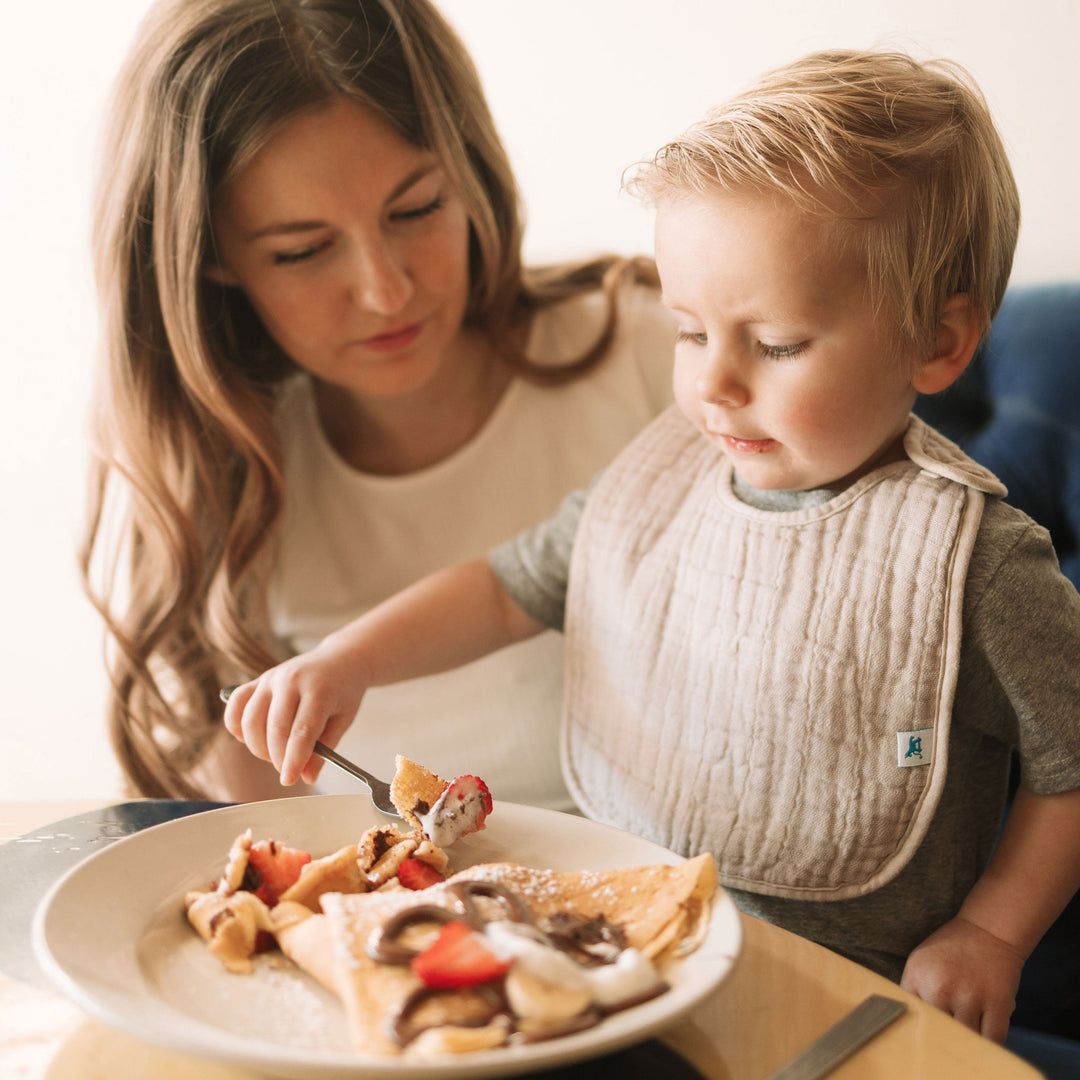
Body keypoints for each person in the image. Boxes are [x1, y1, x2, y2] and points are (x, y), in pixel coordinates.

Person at [224, 49, 1080, 1040]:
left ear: (939, 342)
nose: (713, 385)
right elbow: (506, 589)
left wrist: (990, 934)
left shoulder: (974, 563)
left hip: (856, 1004)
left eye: (777, 344)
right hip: (628, 962)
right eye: (688, 331)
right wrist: (346, 660)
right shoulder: (662, 483)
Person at [79, 0, 675, 808]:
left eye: (416, 208)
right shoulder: (225, 480)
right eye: (303, 250)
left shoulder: (664, 362)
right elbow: (254, 846)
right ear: (209, 260)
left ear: (469, 173)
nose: (384, 290)